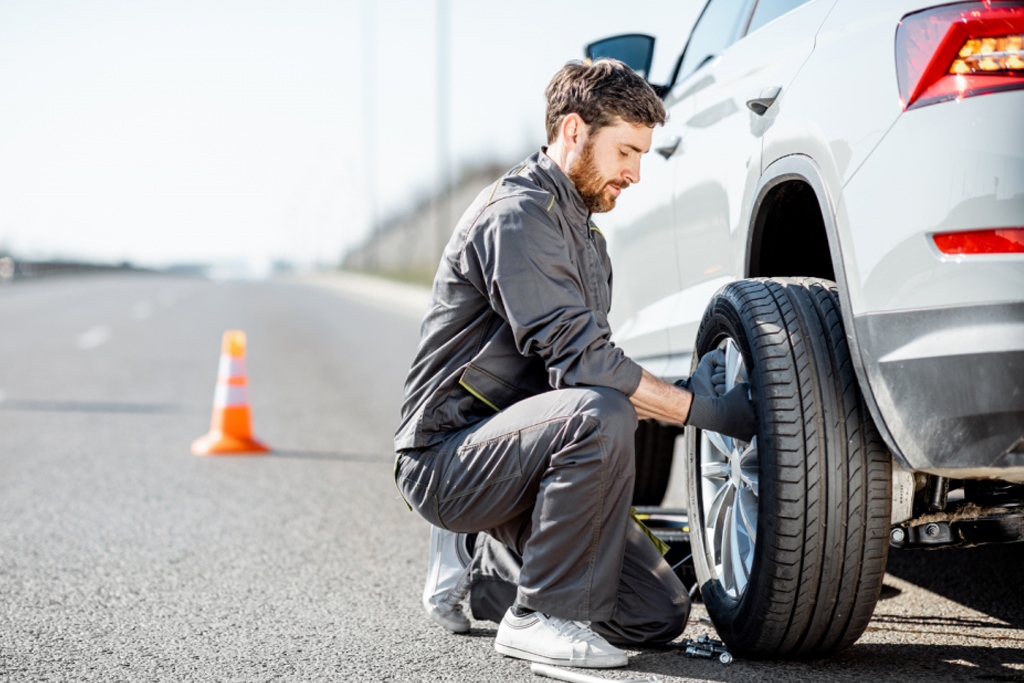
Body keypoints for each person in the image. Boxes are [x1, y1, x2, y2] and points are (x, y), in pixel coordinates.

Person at [394, 59, 756, 669]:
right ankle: (538, 617)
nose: (636, 173)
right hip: (446, 456)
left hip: (519, 452)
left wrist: (673, 391)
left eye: (642, 155)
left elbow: (582, 369)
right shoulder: (518, 216)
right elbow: (588, 374)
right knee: (598, 413)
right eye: (626, 151)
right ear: (572, 132)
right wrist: (702, 410)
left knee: (655, 613)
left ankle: (488, 569)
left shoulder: (587, 239)